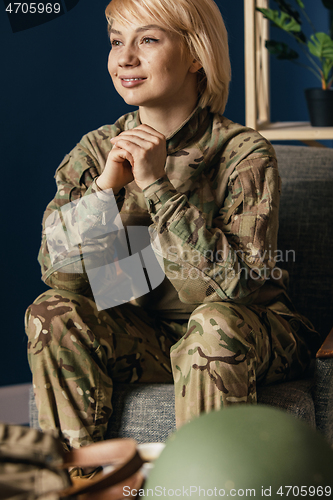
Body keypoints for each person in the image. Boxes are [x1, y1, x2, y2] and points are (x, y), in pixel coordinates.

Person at [25, 0, 319, 454]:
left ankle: (203, 483)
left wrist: (157, 187)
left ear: (196, 55)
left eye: (147, 39)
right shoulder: (94, 151)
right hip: (146, 333)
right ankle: (76, 480)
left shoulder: (243, 153)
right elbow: (60, 276)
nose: (125, 58)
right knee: (53, 310)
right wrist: (105, 190)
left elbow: (234, 290)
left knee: (212, 325)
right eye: (116, 42)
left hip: (251, 329)